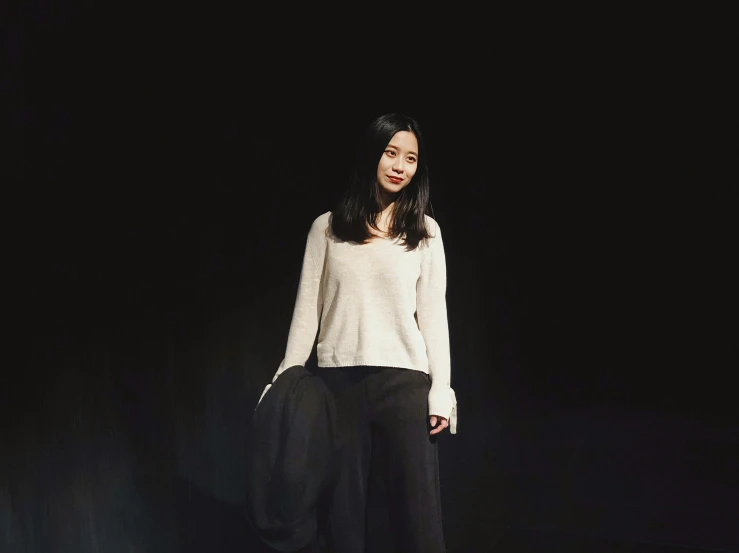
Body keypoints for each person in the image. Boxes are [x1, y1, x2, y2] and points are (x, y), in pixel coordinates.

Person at [257, 113, 457, 553]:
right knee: (342, 520)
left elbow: (434, 317)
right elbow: (306, 314)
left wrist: (440, 389)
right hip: (338, 388)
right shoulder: (327, 228)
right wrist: (284, 382)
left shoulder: (425, 232)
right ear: (373, 154)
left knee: (417, 519)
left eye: (411, 158)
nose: (400, 166)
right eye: (391, 153)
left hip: (404, 386)